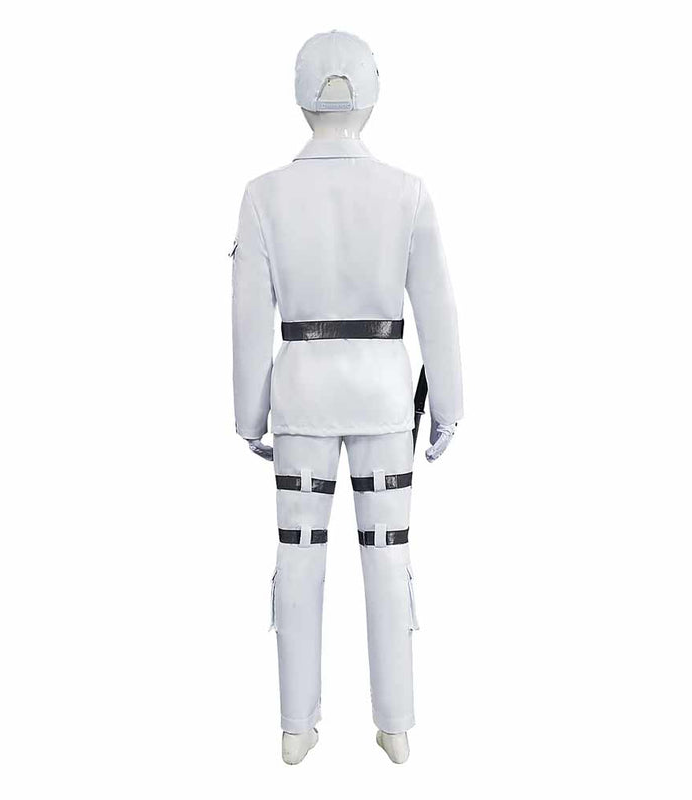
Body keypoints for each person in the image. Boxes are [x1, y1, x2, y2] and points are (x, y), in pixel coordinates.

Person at [231, 30, 463, 764]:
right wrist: (449, 405)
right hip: (383, 391)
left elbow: (247, 317)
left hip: (302, 393)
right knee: (388, 555)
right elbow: (437, 306)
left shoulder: (264, 195)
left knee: (297, 555)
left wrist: (248, 417)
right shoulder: (407, 192)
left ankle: (296, 726)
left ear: (301, 97)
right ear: (372, 93)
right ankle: (396, 725)